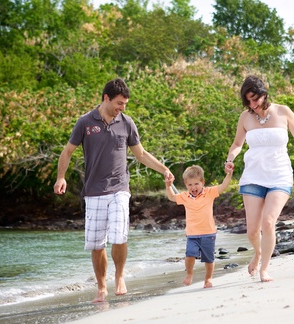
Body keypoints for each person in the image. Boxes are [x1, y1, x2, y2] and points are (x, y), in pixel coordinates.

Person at [53, 78, 174, 303]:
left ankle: (119, 277)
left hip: (119, 187)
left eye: (125, 104)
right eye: (119, 103)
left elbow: (141, 154)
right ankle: (101, 287)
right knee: (97, 243)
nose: (122, 108)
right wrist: (61, 177)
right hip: (94, 191)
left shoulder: (127, 123)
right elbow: (67, 151)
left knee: (120, 235)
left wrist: (163, 169)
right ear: (106, 98)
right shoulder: (85, 122)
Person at [224, 75, 294, 282]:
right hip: (253, 176)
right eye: (248, 102)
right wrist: (230, 158)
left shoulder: (283, 111)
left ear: (264, 94)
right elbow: (237, 144)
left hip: (279, 175)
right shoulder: (245, 117)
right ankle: (258, 252)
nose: (252, 105)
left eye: (255, 99)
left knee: (269, 222)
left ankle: (264, 269)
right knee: (253, 230)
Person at [165, 164, 233, 288]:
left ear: (203, 182)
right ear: (186, 185)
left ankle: (208, 279)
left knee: (209, 259)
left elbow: (223, 186)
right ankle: (190, 274)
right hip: (192, 234)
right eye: (190, 185)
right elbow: (171, 197)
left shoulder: (210, 192)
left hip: (209, 233)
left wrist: (229, 174)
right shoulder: (185, 196)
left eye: (196, 184)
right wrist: (168, 185)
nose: (193, 187)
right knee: (190, 254)